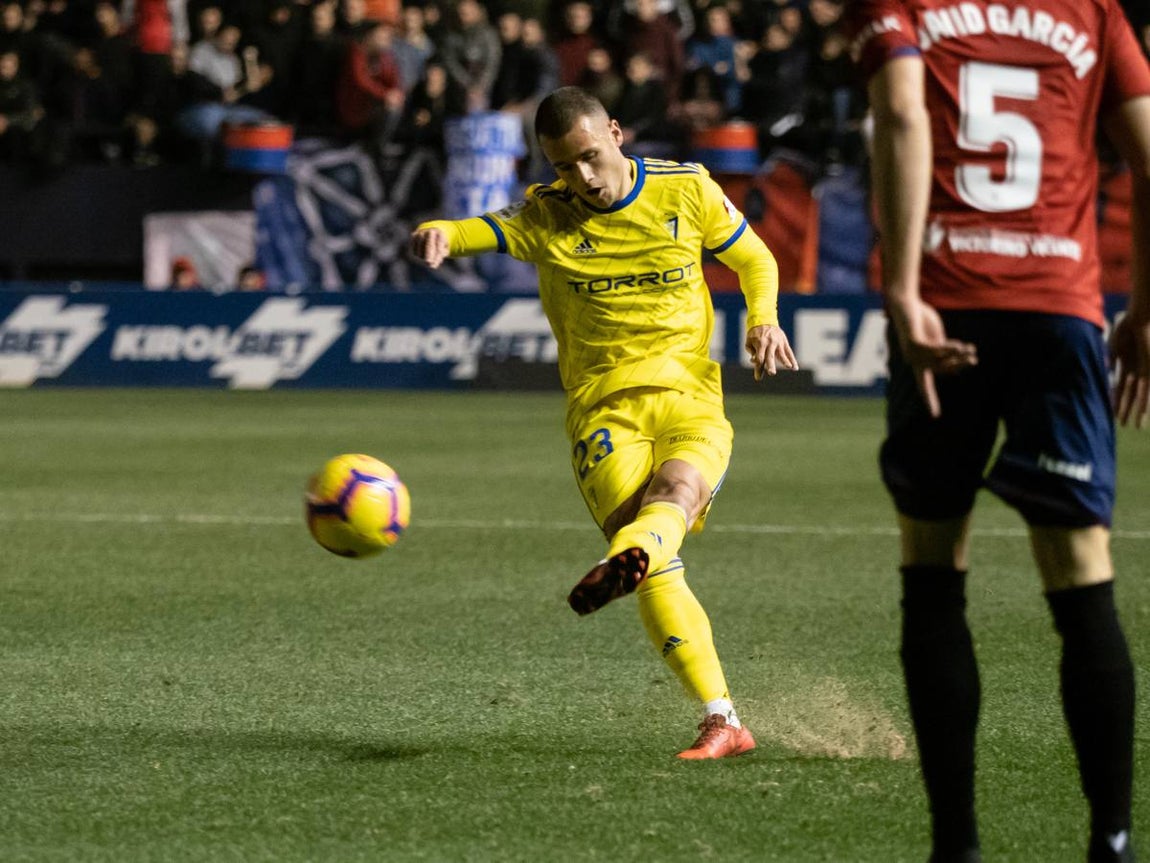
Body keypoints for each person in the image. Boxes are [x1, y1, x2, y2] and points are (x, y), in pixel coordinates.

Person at [410, 86, 798, 759]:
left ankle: (630, 566)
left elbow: (754, 258)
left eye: (590, 156)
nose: (583, 178)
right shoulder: (548, 215)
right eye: (565, 167)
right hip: (604, 413)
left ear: (615, 133)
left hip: (690, 396)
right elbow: (479, 229)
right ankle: (723, 718)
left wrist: (762, 320)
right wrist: (439, 231)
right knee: (656, 557)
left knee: (676, 495)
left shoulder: (687, 190)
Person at [850, 2, 1150, 862]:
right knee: (1081, 575)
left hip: (945, 306)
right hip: (1060, 312)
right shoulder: (1091, 10)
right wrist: (1146, 313)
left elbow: (903, 111)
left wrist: (903, 287)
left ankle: (958, 847)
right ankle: (1114, 843)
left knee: (933, 567)